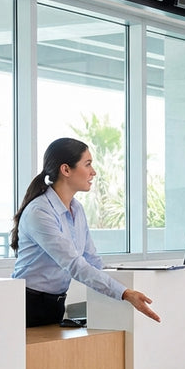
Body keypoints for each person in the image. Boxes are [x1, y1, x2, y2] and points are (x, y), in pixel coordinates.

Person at [11, 137, 160, 327]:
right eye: (87, 164)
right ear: (65, 170)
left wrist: (125, 280)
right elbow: (75, 265)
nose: (93, 172)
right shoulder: (39, 212)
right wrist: (124, 293)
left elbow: (92, 260)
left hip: (55, 303)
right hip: (27, 305)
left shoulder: (77, 209)